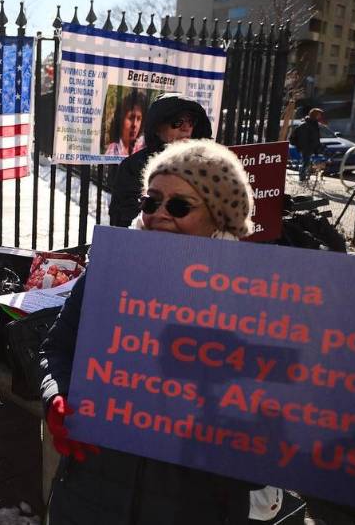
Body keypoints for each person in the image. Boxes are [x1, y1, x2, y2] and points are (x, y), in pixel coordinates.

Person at [38, 140, 257, 524]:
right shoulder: (110, 271)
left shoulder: (259, 300)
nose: (159, 215)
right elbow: (57, 349)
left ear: (219, 216)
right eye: (150, 202)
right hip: (92, 491)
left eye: (178, 206)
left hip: (194, 503)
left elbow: (275, 430)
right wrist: (58, 396)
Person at [108, 94, 213, 227]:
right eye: (177, 122)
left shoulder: (206, 165)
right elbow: (123, 221)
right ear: (157, 128)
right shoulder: (133, 167)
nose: (186, 128)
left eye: (191, 122)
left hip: (194, 245)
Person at [104, 89, 149, 156]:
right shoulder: (113, 152)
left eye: (139, 119)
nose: (134, 124)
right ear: (121, 119)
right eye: (131, 118)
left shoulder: (139, 145)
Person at [292, 108, 324, 183]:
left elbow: (315, 136)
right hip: (306, 147)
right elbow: (303, 137)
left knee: (307, 162)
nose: (320, 116)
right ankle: (302, 178)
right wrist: (304, 146)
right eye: (319, 115)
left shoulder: (314, 124)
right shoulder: (306, 124)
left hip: (311, 146)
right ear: (315, 115)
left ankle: (305, 176)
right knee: (305, 162)